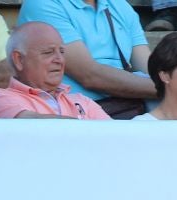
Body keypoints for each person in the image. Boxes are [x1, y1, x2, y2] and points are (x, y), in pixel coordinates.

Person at [15, 0, 151, 117]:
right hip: (73, 115)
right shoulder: (42, 4)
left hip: (125, 107)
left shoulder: (119, 5)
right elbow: (90, 75)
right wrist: (166, 87)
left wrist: (166, 84)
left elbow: (151, 68)